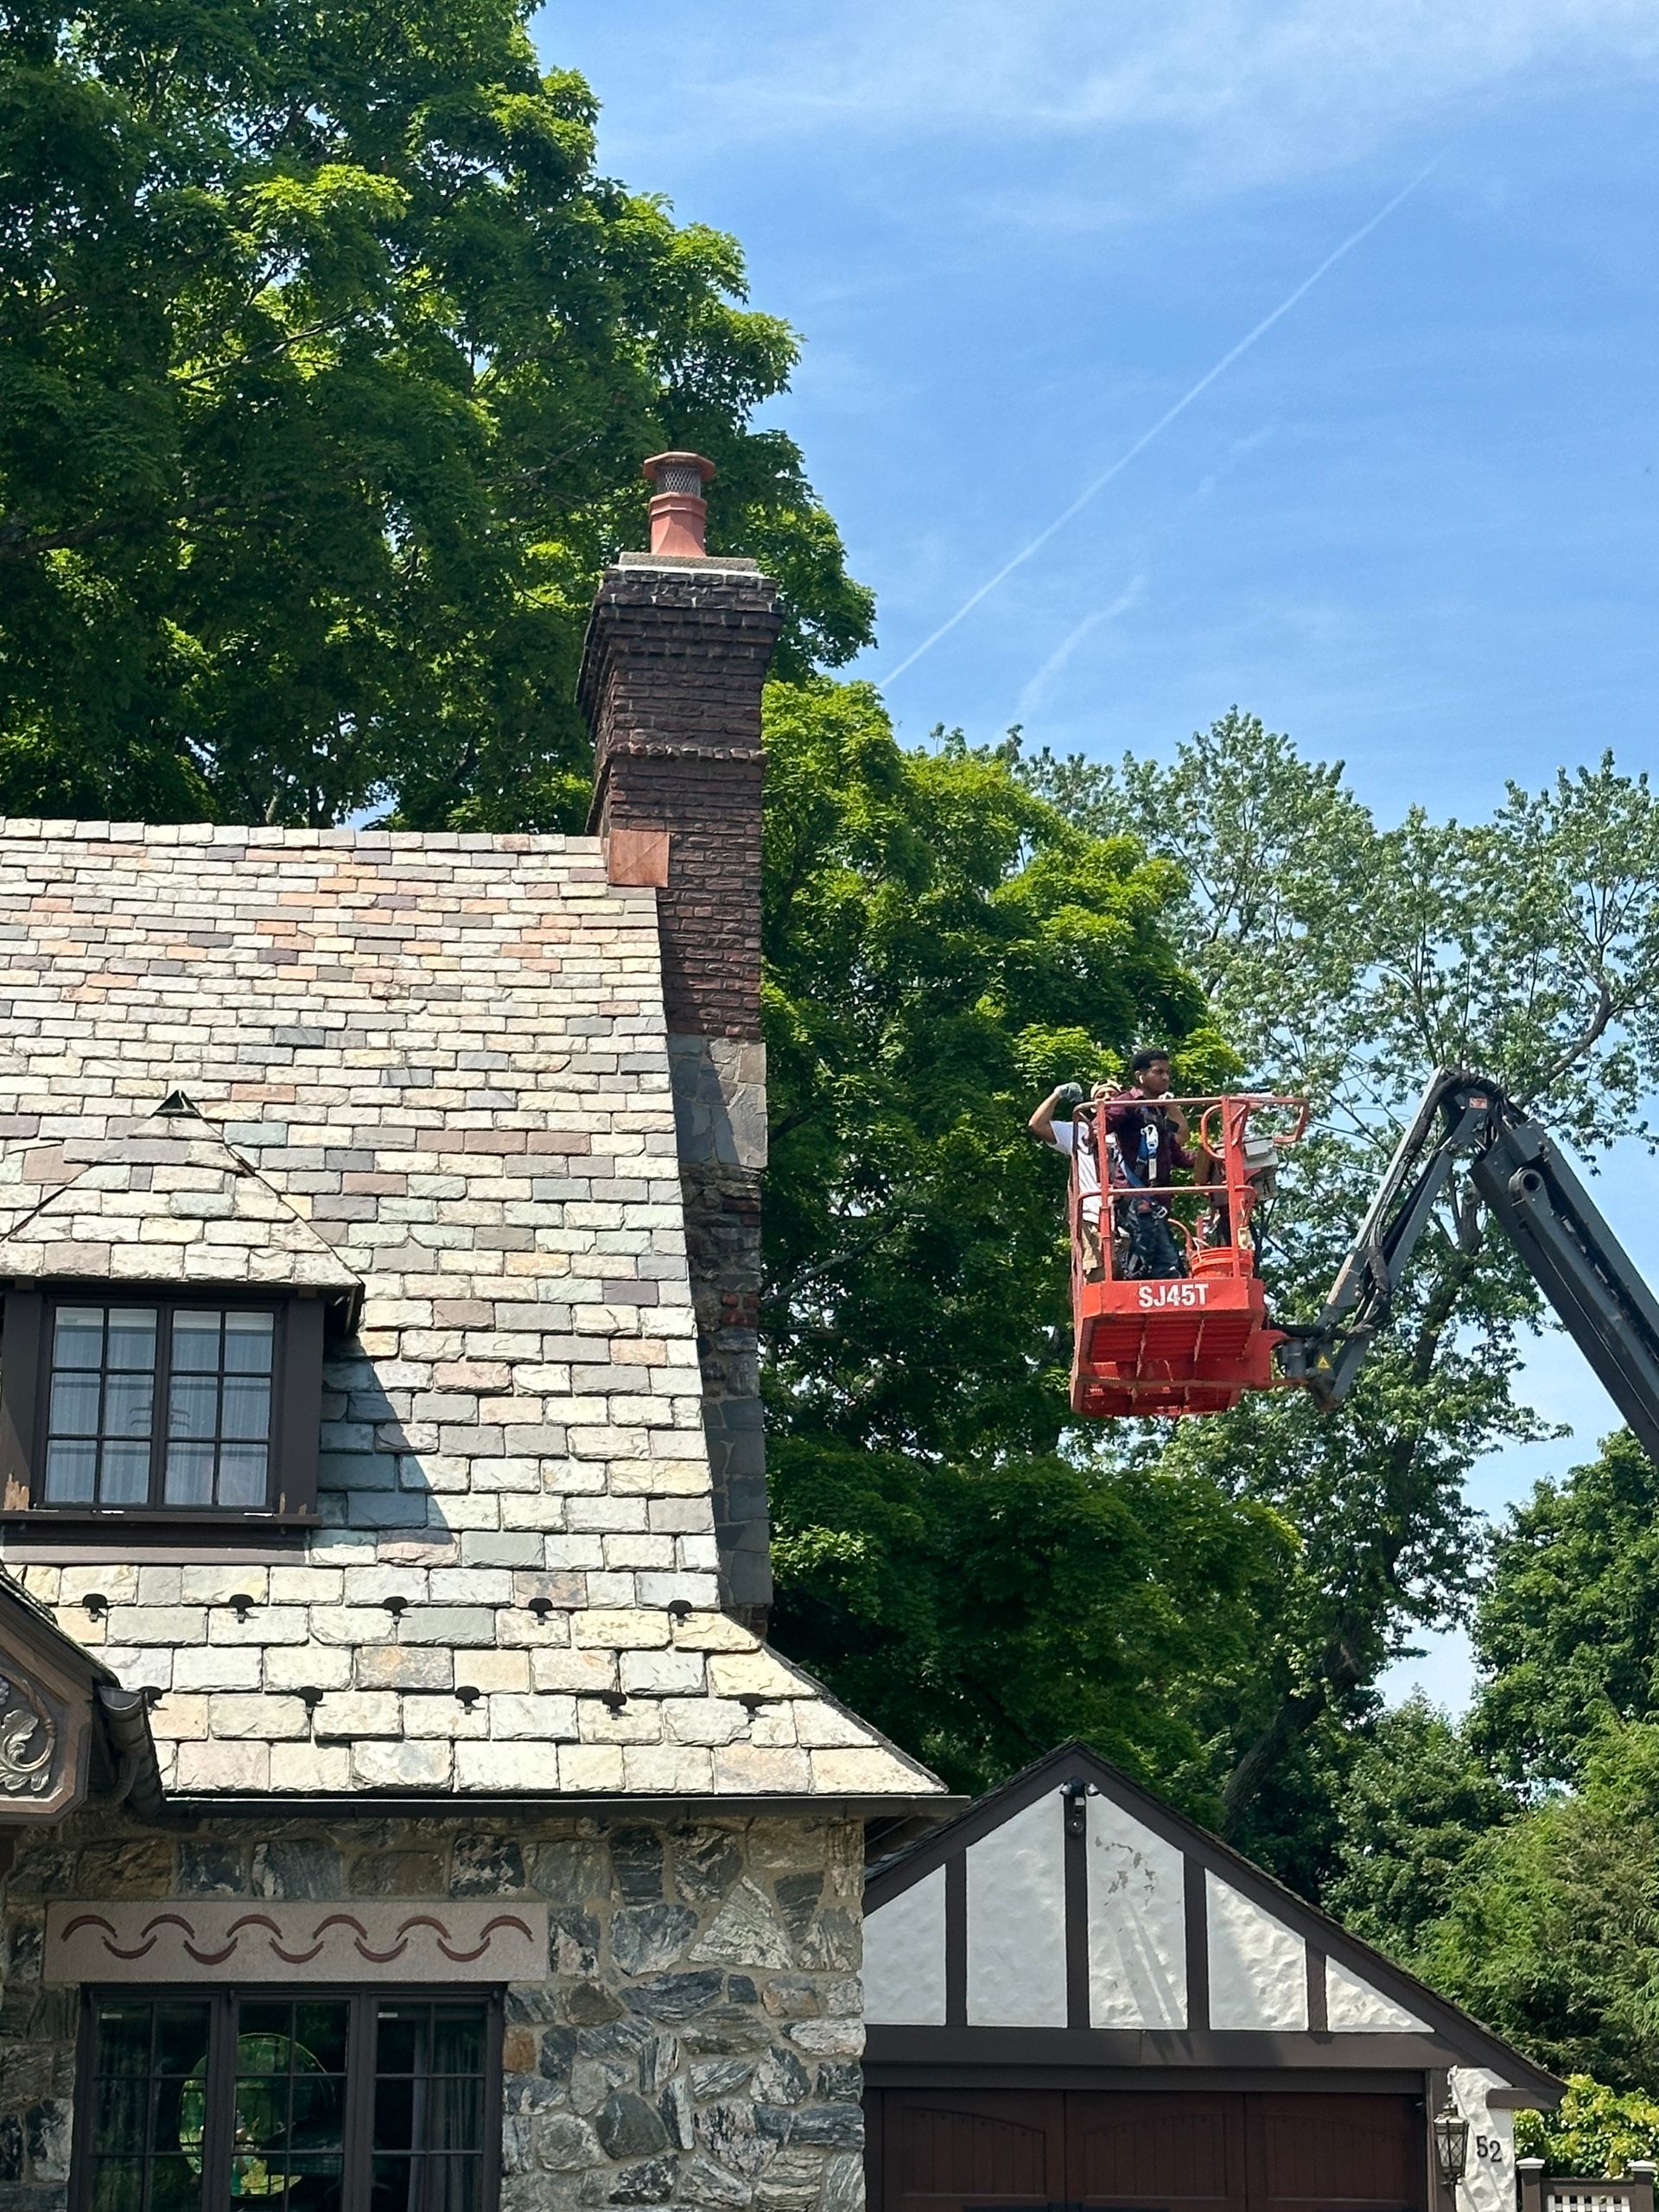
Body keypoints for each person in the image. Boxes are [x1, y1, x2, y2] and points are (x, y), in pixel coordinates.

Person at [1030, 1049, 1200, 1281]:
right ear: (1093, 1106)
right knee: (1108, 1271)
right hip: (1099, 1213)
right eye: (1102, 1097)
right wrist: (1059, 1095)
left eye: (1113, 1094)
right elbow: (1038, 1125)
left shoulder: (1145, 1120)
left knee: (1162, 1264)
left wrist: (1212, 1153)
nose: (1108, 1100)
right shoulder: (1082, 1132)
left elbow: (1178, 1144)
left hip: (1138, 1207)